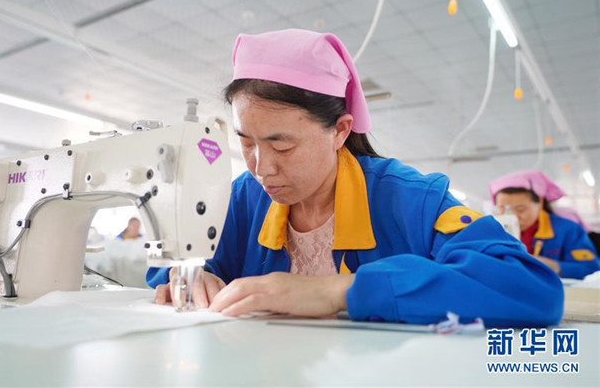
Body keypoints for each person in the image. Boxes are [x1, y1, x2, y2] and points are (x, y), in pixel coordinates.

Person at [148, 29, 563, 327]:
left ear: (340, 131)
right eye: (246, 142)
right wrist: (185, 277)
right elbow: (178, 261)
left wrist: (340, 291)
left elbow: (530, 287)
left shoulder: (411, 200)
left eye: (283, 146)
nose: (261, 168)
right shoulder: (241, 199)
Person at [489, 170, 599, 279]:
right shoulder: (492, 230)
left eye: (520, 209)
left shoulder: (568, 230)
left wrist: (552, 266)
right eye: (503, 209)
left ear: (540, 203)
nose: (513, 216)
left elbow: (591, 267)